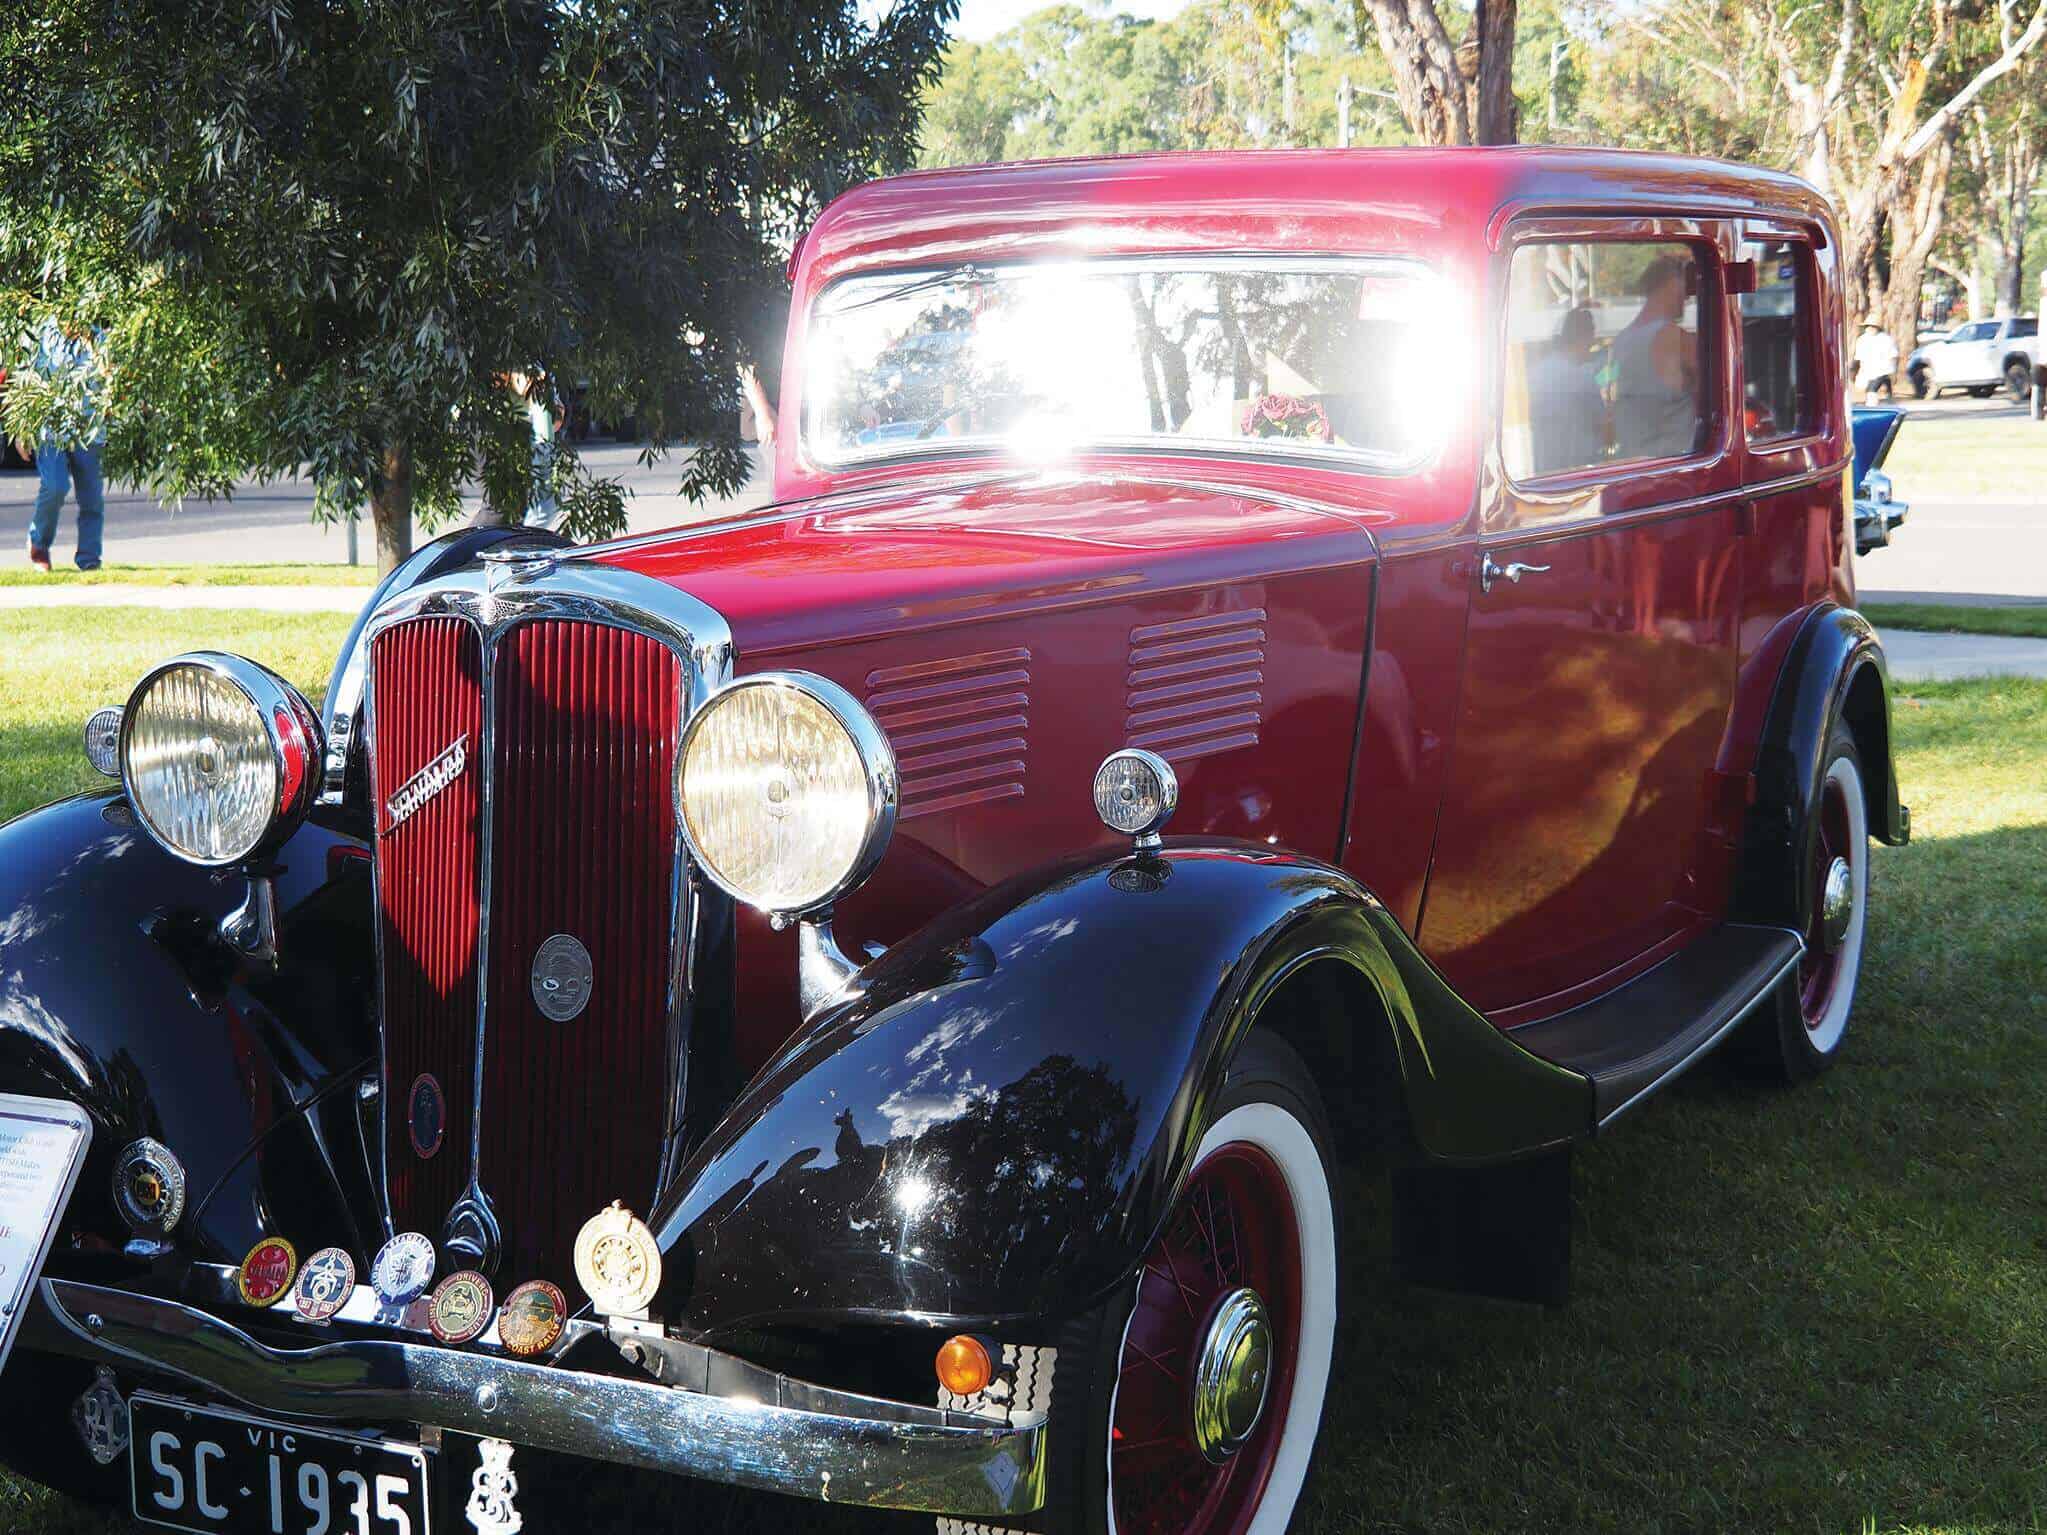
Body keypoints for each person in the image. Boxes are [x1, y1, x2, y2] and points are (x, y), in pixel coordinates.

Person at [24, 319, 107, 572]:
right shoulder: (43, 335)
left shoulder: (98, 338)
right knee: (55, 485)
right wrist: (23, 429)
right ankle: (38, 543)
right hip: (51, 430)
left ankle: (89, 559)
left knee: (91, 498)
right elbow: (27, 382)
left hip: (89, 429)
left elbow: (110, 380)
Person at [1611, 256, 1700, 462]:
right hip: (1676, 469)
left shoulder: (1621, 340)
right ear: (1672, 283)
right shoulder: (1674, 337)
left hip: (1634, 467)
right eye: (1685, 285)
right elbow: (1716, 404)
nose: (1687, 298)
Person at [1529, 305, 1607, 473]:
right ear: (1583, 339)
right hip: (1579, 475)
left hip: (1545, 475)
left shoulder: (1538, 372)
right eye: (1591, 339)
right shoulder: (1581, 377)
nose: (1593, 344)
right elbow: (1604, 426)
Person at [1853, 320, 1898, 403]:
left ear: (1878, 328)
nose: (1870, 328)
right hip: (1869, 370)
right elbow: (1860, 358)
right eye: (1869, 326)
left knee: (1871, 391)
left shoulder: (1886, 339)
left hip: (1883, 370)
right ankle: (1887, 397)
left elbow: (1893, 356)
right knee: (1870, 388)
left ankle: (1873, 405)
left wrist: (1894, 372)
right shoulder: (1862, 339)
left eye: (1873, 326)